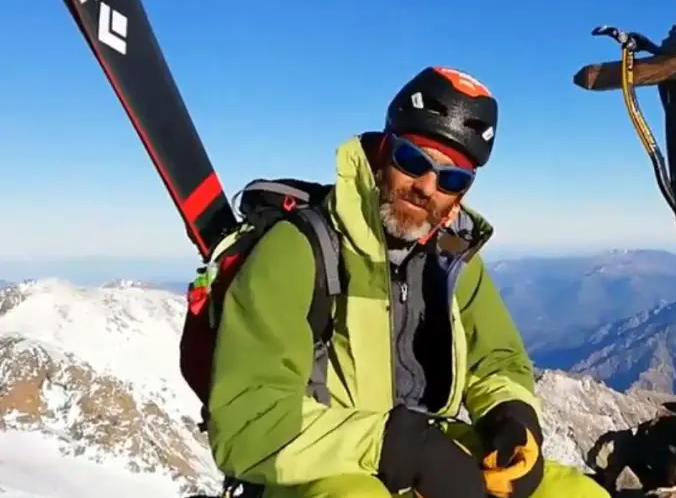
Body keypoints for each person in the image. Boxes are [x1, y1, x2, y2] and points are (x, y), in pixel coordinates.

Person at [204, 66, 610, 498]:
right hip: (320, 469)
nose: (427, 187)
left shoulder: (452, 257)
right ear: (383, 153)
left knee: (573, 492)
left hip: (428, 456)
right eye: (413, 160)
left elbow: (497, 359)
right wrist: (399, 447)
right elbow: (246, 424)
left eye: (453, 178)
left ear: (461, 196)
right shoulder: (300, 248)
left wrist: (510, 415)